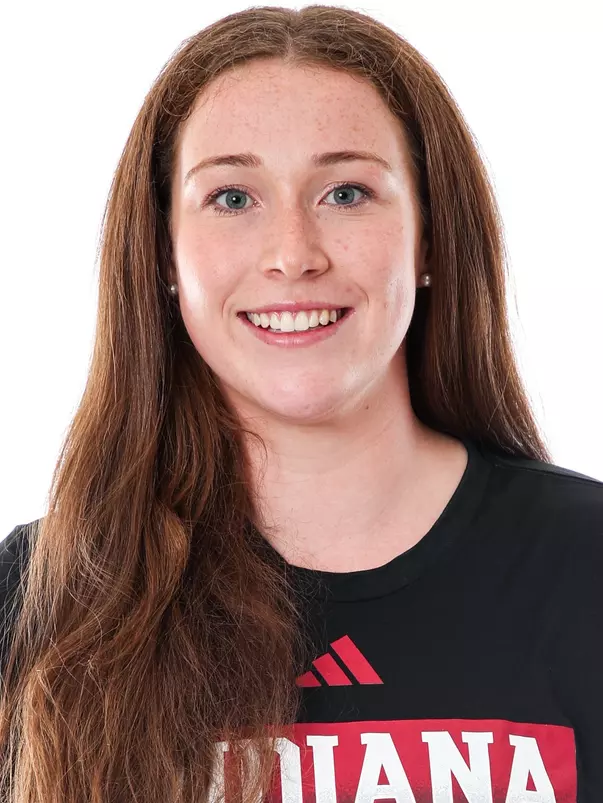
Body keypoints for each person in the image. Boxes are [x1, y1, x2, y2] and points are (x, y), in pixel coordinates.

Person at [1, 5, 602, 802]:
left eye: (346, 191)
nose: (293, 254)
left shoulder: (584, 567)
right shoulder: (45, 600)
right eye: (231, 198)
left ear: (428, 238)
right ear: (163, 256)